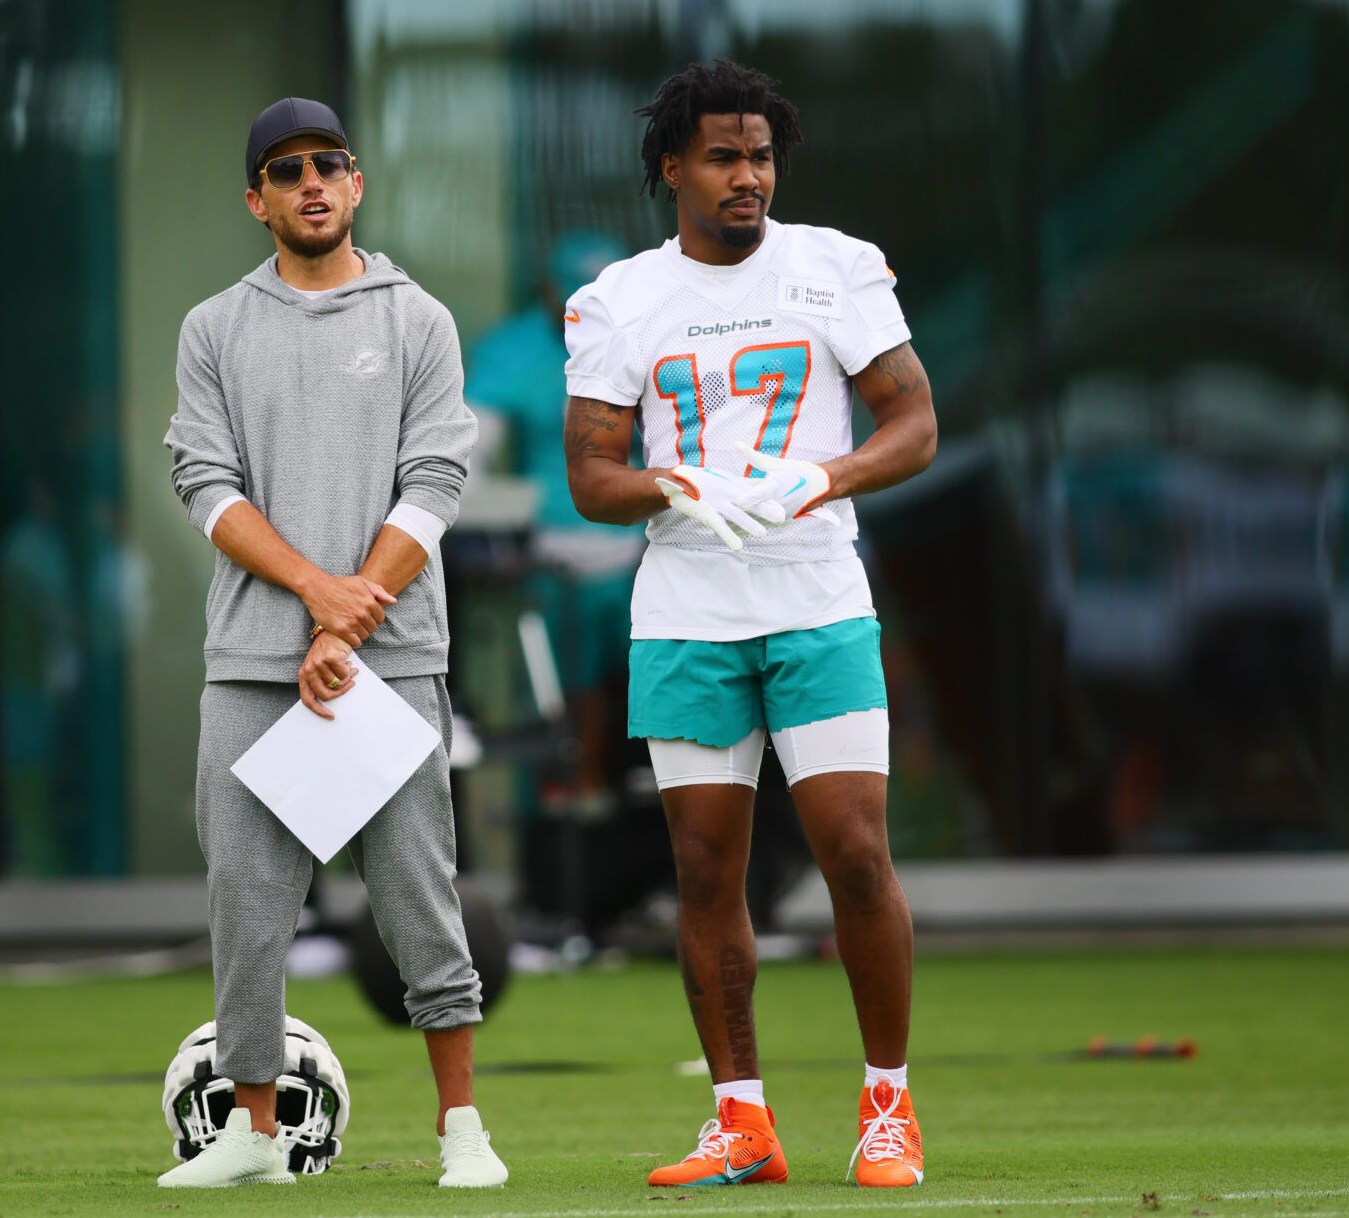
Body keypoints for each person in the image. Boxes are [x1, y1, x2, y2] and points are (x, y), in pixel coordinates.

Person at [561, 60, 937, 1188]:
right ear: (671, 167)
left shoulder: (835, 267)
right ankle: (741, 1119)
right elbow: (591, 472)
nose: (747, 178)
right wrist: (673, 488)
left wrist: (824, 478)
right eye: (723, 157)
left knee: (854, 852)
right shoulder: (622, 297)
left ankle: (887, 1107)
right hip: (686, 611)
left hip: (816, 596)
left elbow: (913, 422)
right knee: (705, 870)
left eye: (761, 156)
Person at [159, 96, 508, 1189]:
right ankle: (253, 1136)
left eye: (331, 165)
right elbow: (205, 485)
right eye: (288, 168)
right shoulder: (214, 328)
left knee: (417, 892)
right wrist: (322, 600)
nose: (312, 182)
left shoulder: (419, 321)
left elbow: (439, 479)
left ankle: (464, 1132)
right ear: (256, 198)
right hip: (255, 662)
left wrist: (354, 617)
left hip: (392, 661)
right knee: (247, 903)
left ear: (355, 186)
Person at [465, 233, 641, 801]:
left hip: (654, 542)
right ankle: (577, 803)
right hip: (558, 550)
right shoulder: (516, 351)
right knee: (572, 693)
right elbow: (464, 454)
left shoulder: (653, 337)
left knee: (656, 688)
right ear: (547, 292)